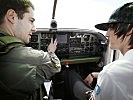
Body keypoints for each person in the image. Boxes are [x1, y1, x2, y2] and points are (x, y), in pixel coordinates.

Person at [65, 2, 133, 100]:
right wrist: (95, 74)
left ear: (130, 29)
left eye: (111, 28)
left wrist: (92, 94)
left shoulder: (110, 72)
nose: (107, 34)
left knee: (70, 73)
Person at [0, 0, 61, 100]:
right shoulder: (40, 60)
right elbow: (55, 66)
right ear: (12, 16)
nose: (34, 29)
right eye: (31, 21)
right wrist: (50, 51)